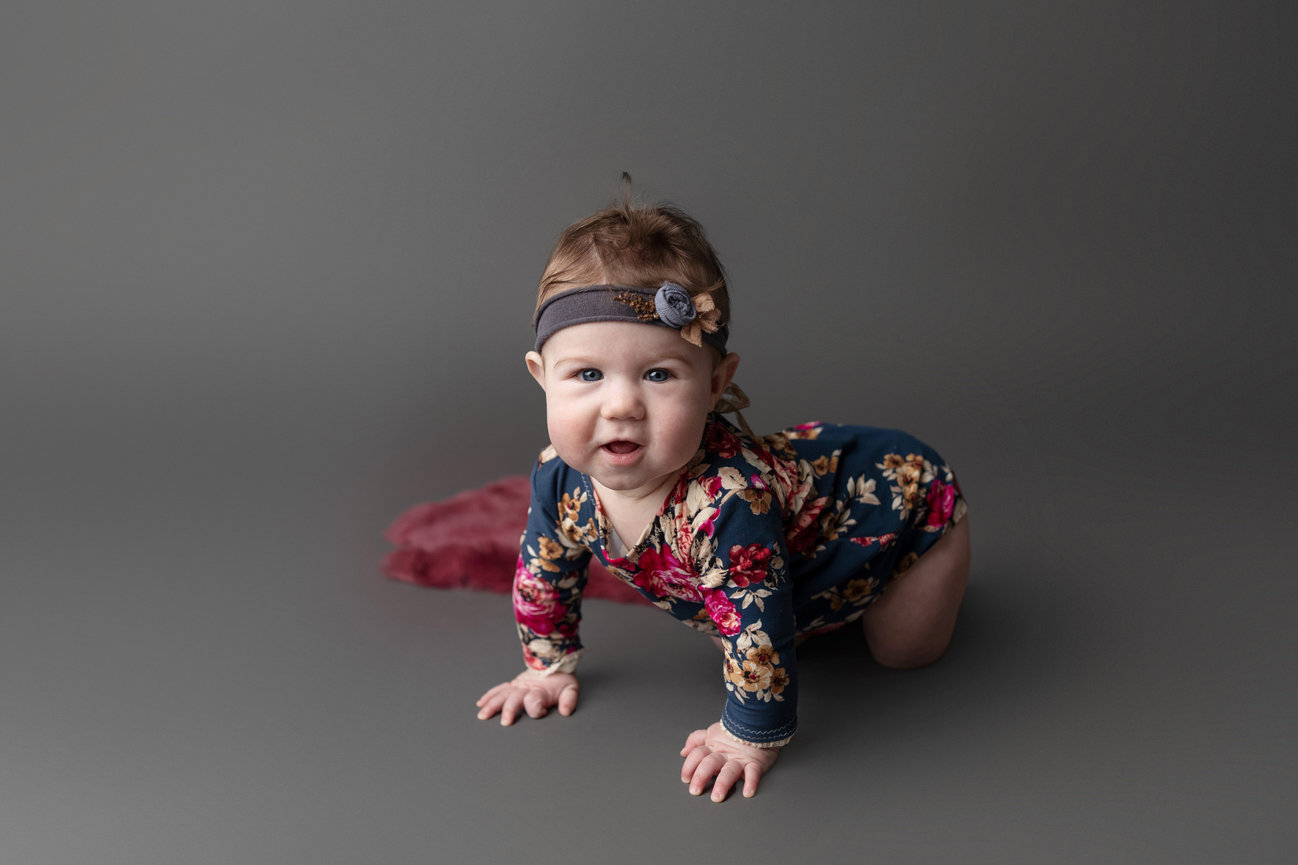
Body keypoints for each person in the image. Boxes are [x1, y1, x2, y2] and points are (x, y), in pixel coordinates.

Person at [475, 179, 971, 802]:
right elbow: (543, 572)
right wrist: (545, 668)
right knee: (736, 612)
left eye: (659, 374)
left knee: (902, 653)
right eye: (588, 375)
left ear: (715, 384)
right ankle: (806, 602)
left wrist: (749, 734)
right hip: (780, 552)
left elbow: (755, 632)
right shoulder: (559, 476)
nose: (622, 404)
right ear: (542, 377)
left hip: (895, 505)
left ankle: (917, 569)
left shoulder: (729, 502)